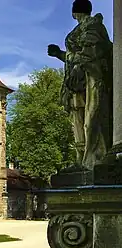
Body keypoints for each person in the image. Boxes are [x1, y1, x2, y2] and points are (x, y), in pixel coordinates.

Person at [48, 0, 114, 170]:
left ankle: (95, 159)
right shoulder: (84, 29)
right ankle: (81, 159)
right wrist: (59, 55)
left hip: (91, 78)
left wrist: (67, 56)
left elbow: (89, 55)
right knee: (79, 121)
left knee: (92, 118)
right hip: (76, 82)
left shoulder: (94, 26)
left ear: (74, 12)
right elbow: (76, 57)